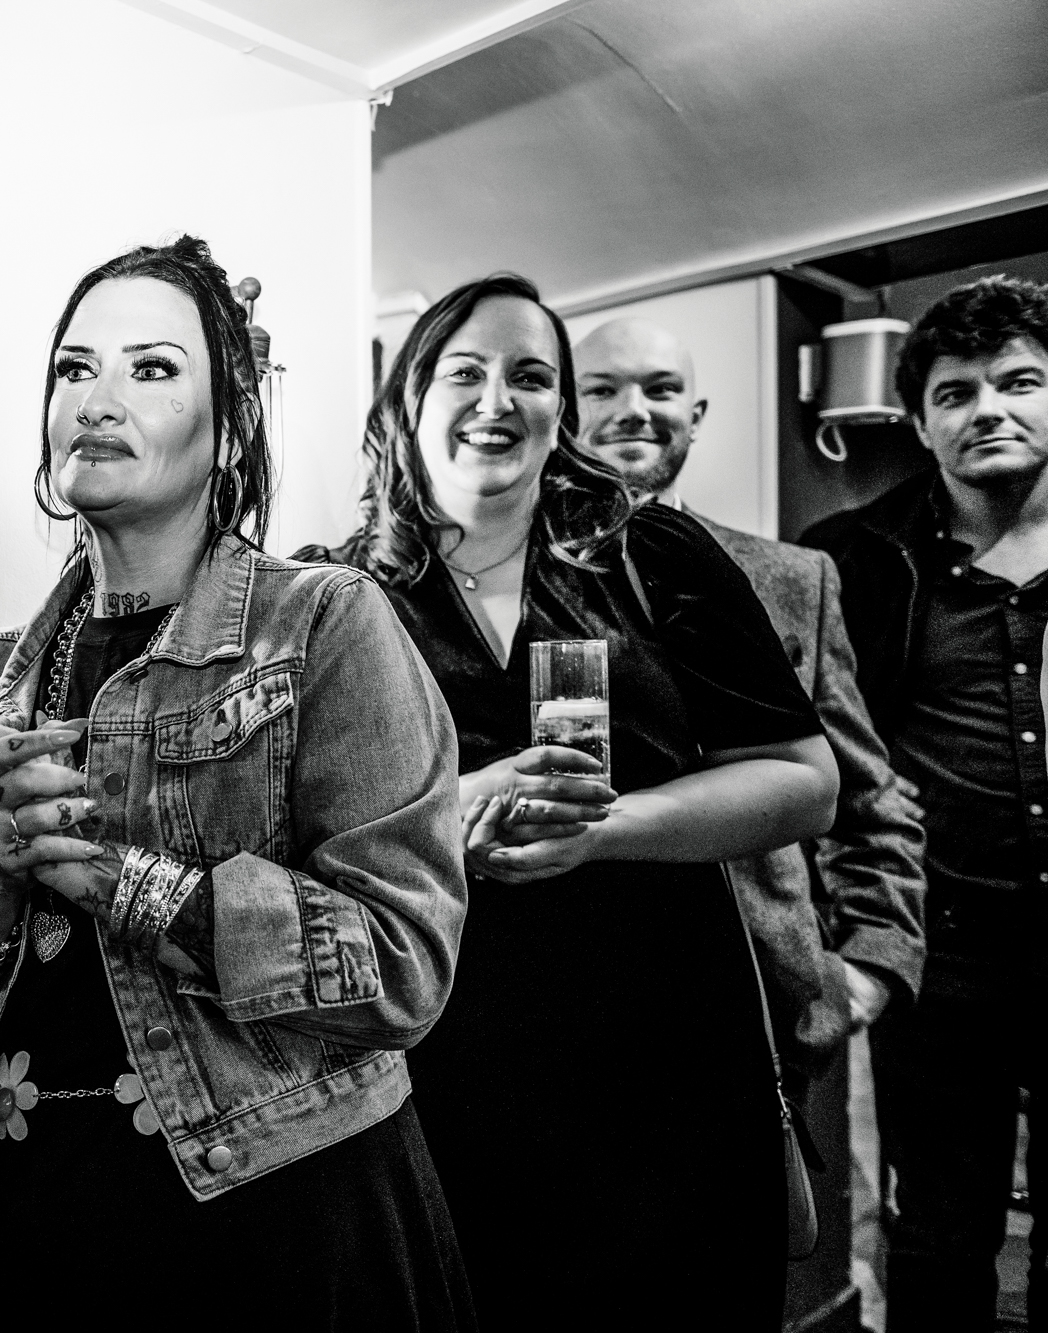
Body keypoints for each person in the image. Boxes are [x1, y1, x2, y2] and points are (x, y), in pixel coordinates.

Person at [0, 236, 476, 1331]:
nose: (98, 398)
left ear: (227, 425)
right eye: (73, 368)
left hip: (276, 1215)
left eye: (150, 368)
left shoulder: (324, 624)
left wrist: (127, 880)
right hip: (40, 1213)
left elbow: (403, 963)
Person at [297, 273, 838, 1330]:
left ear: (560, 415)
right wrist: (456, 805)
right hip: (436, 1059)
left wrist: (606, 828)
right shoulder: (333, 597)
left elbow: (802, 779)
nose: (497, 398)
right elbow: (291, 836)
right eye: (464, 371)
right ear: (406, 403)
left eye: (530, 376)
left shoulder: (649, 555)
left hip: (662, 1051)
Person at [573, 316, 927, 1089]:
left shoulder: (795, 578)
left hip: (765, 1008)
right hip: (574, 1000)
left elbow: (868, 795)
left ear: (695, 416)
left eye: (661, 388)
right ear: (570, 409)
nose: (634, 407)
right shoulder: (518, 588)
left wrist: (872, 964)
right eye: (604, 387)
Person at [804, 274, 1048, 1331]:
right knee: (941, 1227)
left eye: (1018, 380)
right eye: (954, 393)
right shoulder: (856, 557)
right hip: (939, 951)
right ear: (917, 421)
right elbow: (825, 754)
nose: (986, 408)